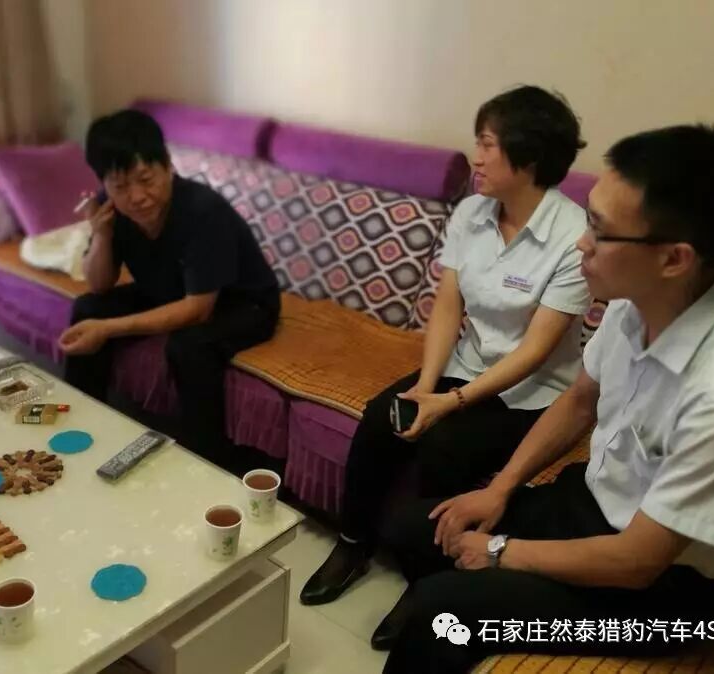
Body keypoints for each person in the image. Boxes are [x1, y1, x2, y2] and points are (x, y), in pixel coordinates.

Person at [382, 124, 714, 673]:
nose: (580, 244)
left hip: (668, 595)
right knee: (411, 527)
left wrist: (500, 551)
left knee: (441, 613)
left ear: (674, 259)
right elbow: (579, 401)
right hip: (590, 505)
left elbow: (637, 563)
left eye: (600, 230)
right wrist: (499, 489)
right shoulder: (634, 302)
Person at [299, 85, 591, 649]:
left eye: (488, 145)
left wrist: (449, 404)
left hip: (530, 393)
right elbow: (448, 307)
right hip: (464, 366)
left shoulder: (572, 238)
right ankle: (353, 543)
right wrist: (427, 388)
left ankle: (426, 581)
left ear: (528, 158)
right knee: (382, 416)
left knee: (444, 447)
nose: (475, 158)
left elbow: (535, 351)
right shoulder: (472, 212)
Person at [59, 110, 280, 460]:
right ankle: (81, 430)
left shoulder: (203, 211)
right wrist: (101, 235)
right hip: (169, 289)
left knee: (189, 347)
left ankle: (206, 459)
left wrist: (107, 328)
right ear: (105, 184)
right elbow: (99, 284)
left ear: (167, 165)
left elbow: (198, 309)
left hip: (244, 303)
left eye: (145, 179)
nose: (136, 197)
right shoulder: (110, 208)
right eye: (120, 186)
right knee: (88, 306)